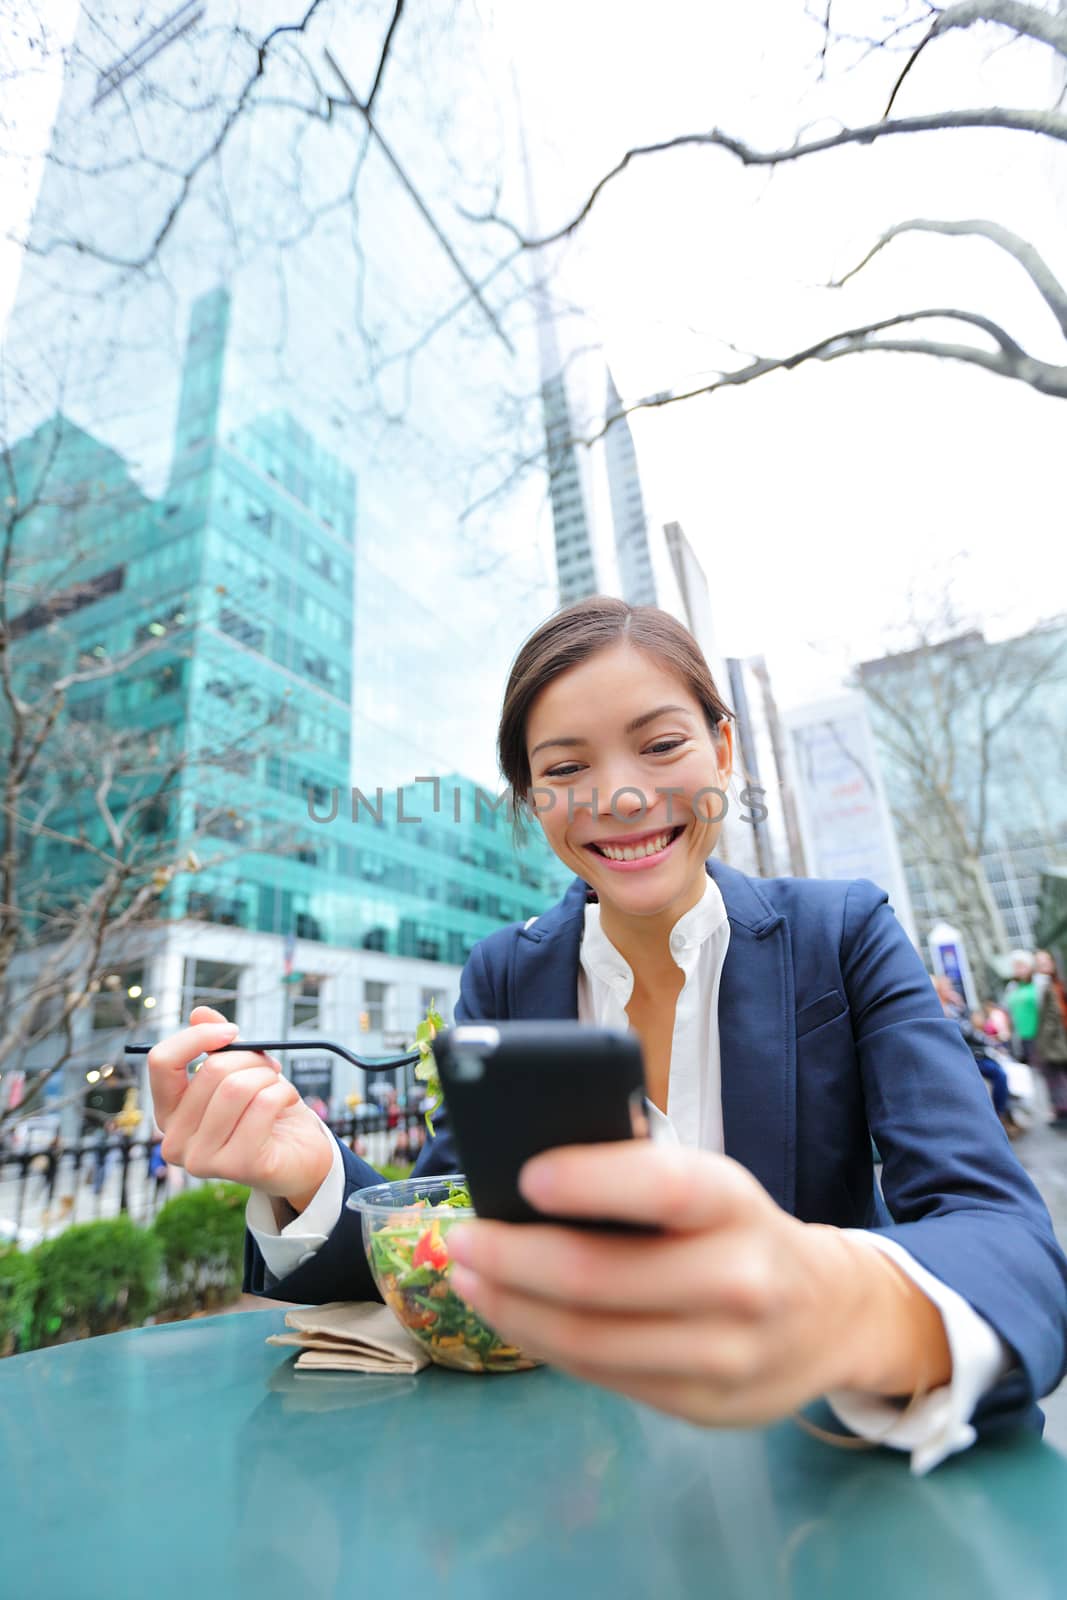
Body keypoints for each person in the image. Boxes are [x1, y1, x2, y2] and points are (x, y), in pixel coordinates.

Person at [146, 597, 1067, 1476]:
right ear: (530, 799)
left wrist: (833, 1305)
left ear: (722, 749)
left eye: (661, 745)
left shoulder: (843, 933)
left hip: (825, 1471)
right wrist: (306, 1171)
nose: (620, 797)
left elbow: (1007, 1244)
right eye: (565, 769)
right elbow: (457, 1246)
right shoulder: (505, 975)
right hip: (572, 1485)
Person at [1033, 950, 1067, 1126]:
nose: (1043, 965)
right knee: (1054, 1075)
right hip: (1054, 1037)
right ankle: (1060, 1110)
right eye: (1039, 962)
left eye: (1046, 961)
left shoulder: (1052, 983)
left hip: (1056, 1037)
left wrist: (1045, 1038)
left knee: (1057, 1075)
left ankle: (1062, 1111)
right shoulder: (1043, 983)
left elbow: (1054, 1013)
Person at [1003, 952, 1041, 1065]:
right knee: (1034, 1070)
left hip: (1042, 1035)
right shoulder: (1012, 987)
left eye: (1021, 965)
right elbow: (1008, 1011)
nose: (1019, 969)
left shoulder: (1040, 982)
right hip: (1022, 1037)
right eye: (1016, 966)